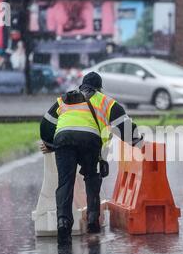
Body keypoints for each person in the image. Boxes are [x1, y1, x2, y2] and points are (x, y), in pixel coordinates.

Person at [40, 72, 144, 245]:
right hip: (90, 141)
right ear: (99, 88)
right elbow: (124, 126)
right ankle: (93, 221)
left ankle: (63, 222)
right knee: (92, 178)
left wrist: (50, 144)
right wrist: (138, 143)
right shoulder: (106, 101)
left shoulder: (65, 99)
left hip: (64, 140)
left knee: (65, 182)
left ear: (82, 86)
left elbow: (46, 123)